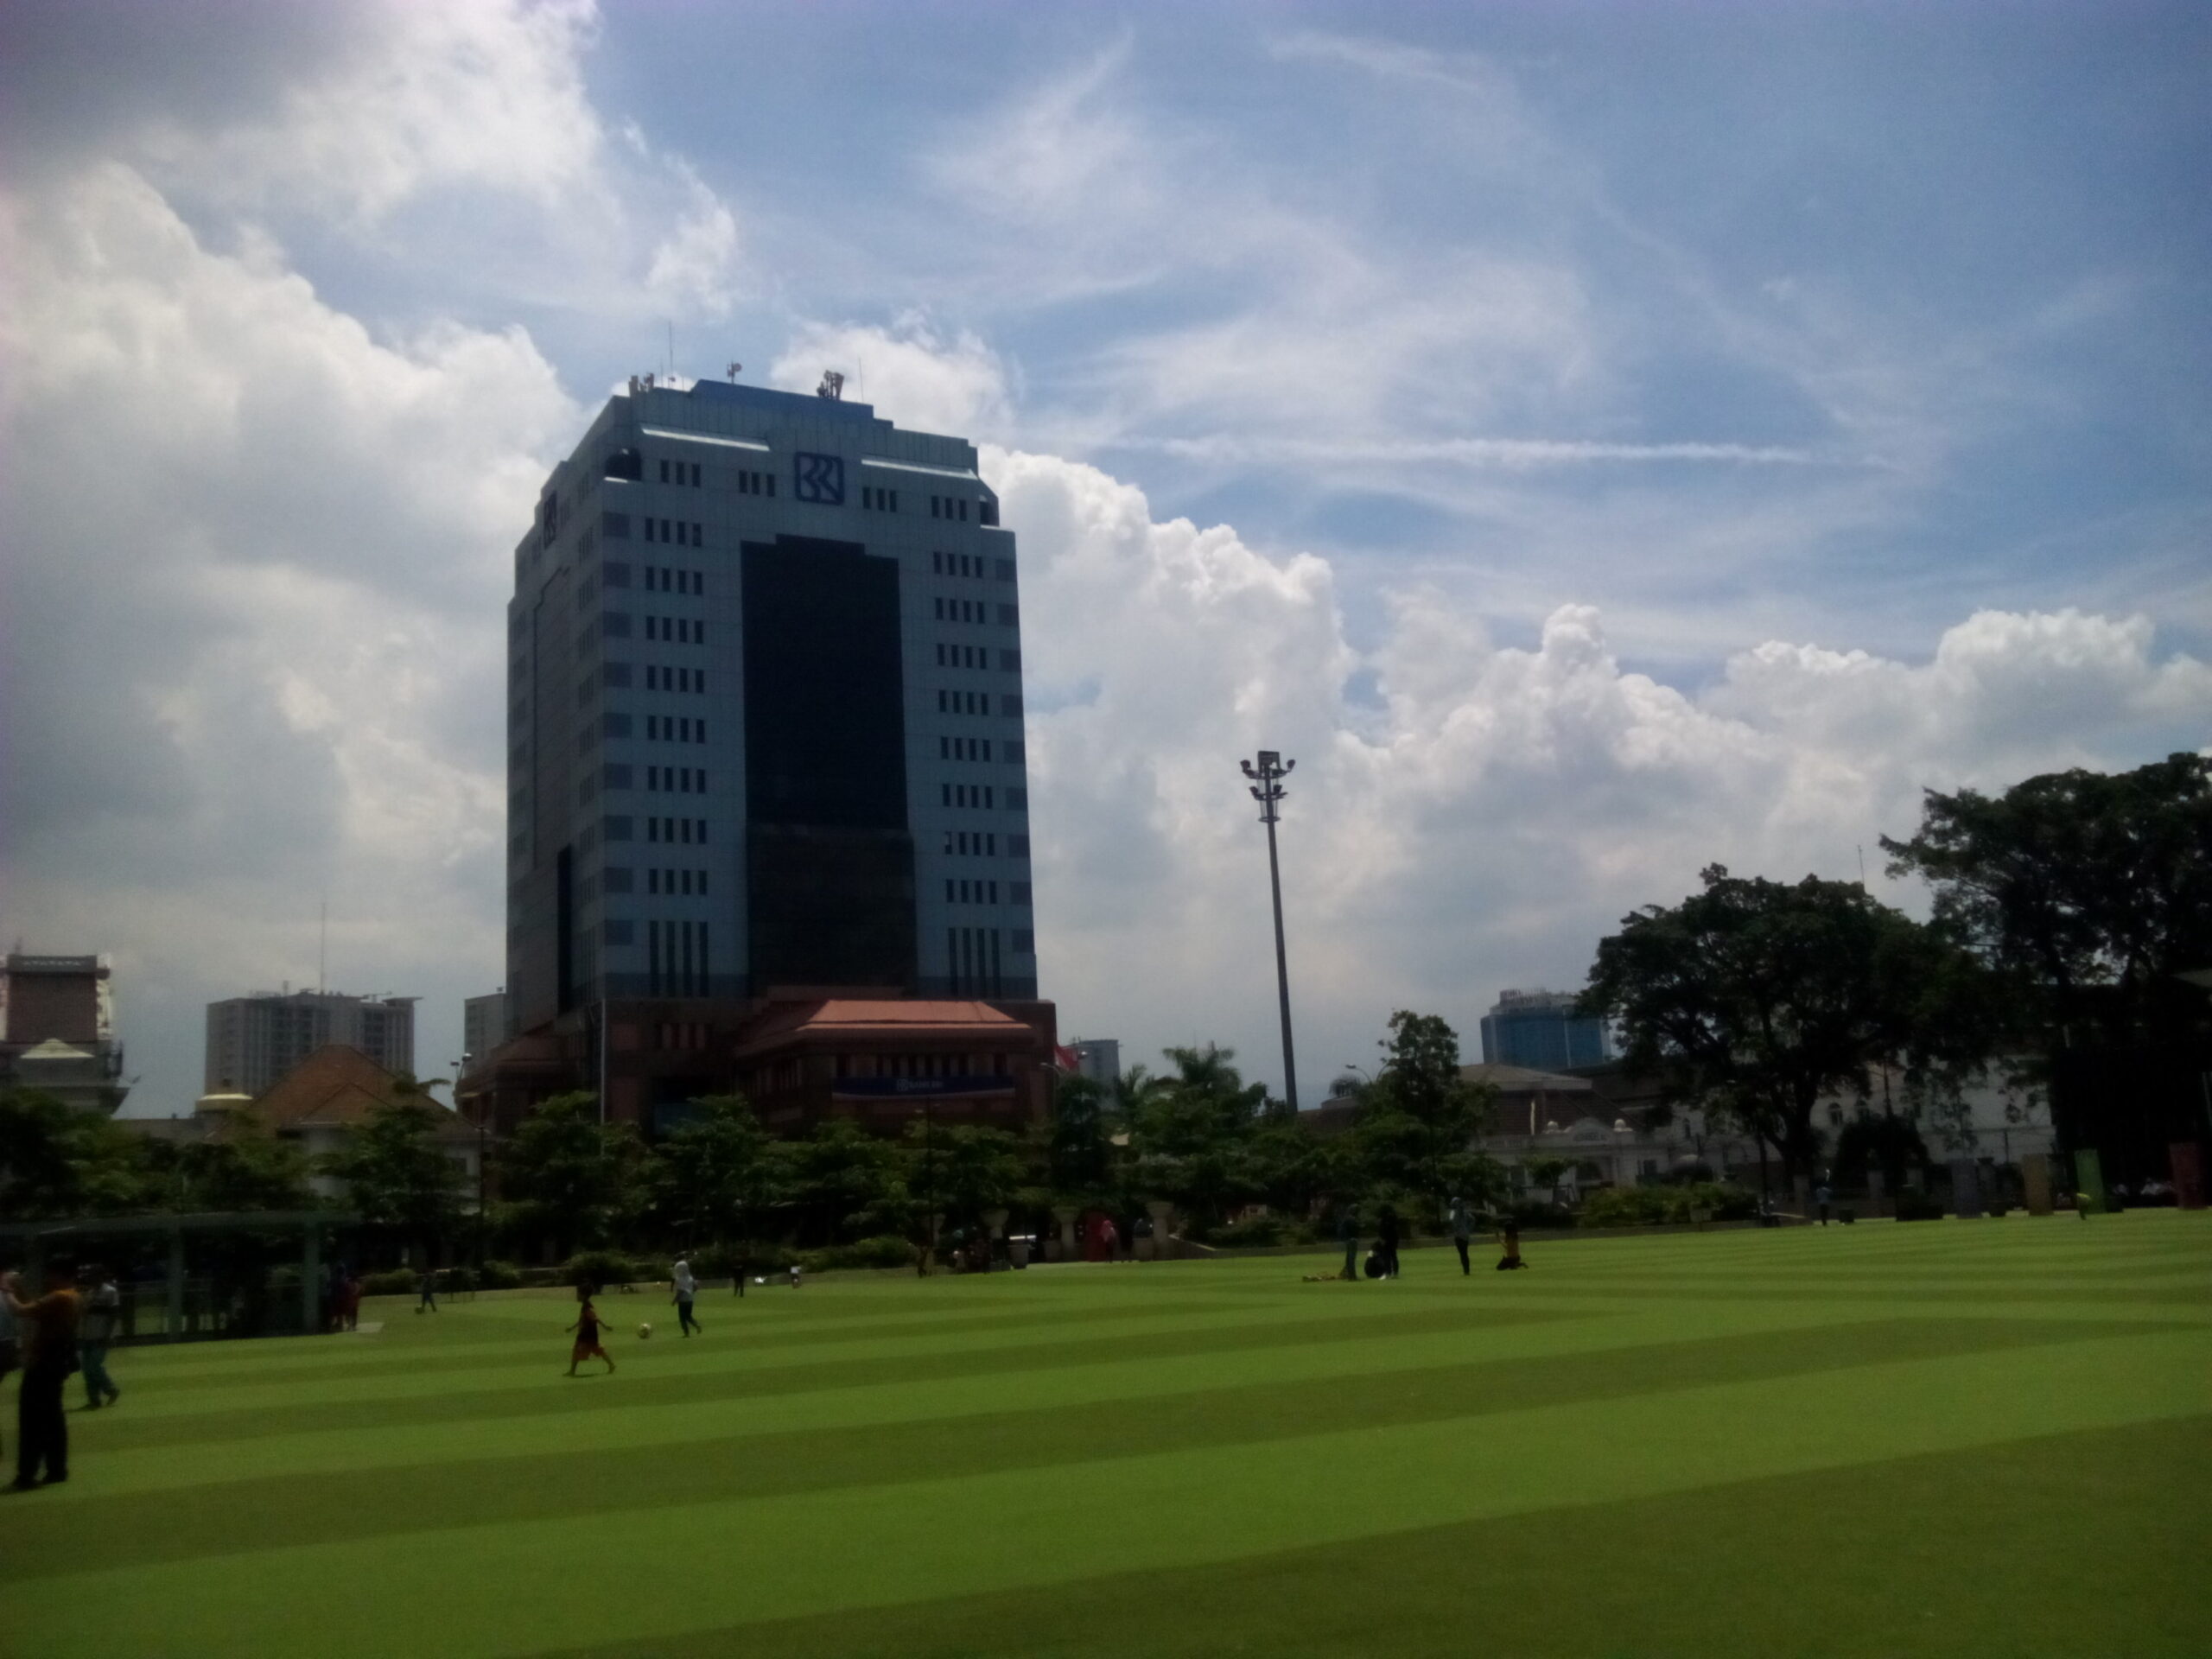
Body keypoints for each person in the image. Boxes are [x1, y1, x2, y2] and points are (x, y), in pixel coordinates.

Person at [4, 1262, 83, 1489]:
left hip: (44, 1364)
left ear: (59, 1274)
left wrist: (7, 1288)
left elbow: (20, 1310)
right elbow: (34, 1308)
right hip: (57, 1363)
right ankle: (56, 1469)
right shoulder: (73, 1296)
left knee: (32, 1421)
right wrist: (18, 1289)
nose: (47, 1279)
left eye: (50, 1274)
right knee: (52, 1419)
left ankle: (26, 1474)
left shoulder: (60, 1296)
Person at [79, 1267, 122, 1410]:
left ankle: (111, 1389)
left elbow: (114, 1314)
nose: (90, 1278)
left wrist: (109, 1335)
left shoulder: (110, 1291)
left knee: (94, 1366)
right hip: (87, 1336)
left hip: (101, 1336)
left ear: (100, 1276)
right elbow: (84, 1314)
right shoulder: (90, 1292)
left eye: (92, 1275)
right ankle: (94, 1400)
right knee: (87, 1370)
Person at [565, 1296, 615, 1376]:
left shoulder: (588, 1310)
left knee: (580, 1350)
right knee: (597, 1350)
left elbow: (596, 1319)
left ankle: (572, 1371)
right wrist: (571, 1328)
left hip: (588, 1335)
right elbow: (581, 1321)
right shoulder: (585, 1309)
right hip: (586, 1335)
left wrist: (605, 1327)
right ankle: (611, 1364)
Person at [671, 1256, 702, 1337]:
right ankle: (696, 1325)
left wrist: (675, 1300)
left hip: (683, 1301)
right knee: (688, 1316)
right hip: (690, 1300)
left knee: (682, 1318)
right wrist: (691, 1292)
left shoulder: (680, 1279)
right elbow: (695, 1287)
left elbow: (680, 1291)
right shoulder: (690, 1278)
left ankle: (686, 1333)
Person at [1449, 1196, 1473, 1275]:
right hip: (1463, 1235)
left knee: (1463, 1253)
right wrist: (1468, 1229)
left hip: (1459, 1235)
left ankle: (1466, 1270)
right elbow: (1473, 1220)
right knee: (1464, 1253)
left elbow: (1451, 1222)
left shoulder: (1454, 1212)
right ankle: (1466, 1270)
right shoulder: (1464, 1212)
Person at [1337, 1203, 1360, 1281]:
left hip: (1347, 1240)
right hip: (1352, 1240)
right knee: (1351, 1259)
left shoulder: (1346, 1219)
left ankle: (1350, 1275)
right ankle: (1353, 1276)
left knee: (1349, 1258)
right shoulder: (1352, 1219)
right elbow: (1355, 1230)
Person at [1377, 1205, 1402, 1280]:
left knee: (1387, 1257)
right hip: (1393, 1240)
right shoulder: (1394, 1218)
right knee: (1393, 1256)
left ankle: (1388, 1272)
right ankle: (1395, 1273)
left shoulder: (1385, 1219)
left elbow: (1384, 1230)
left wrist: (1383, 1239)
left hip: (1387, 1240)